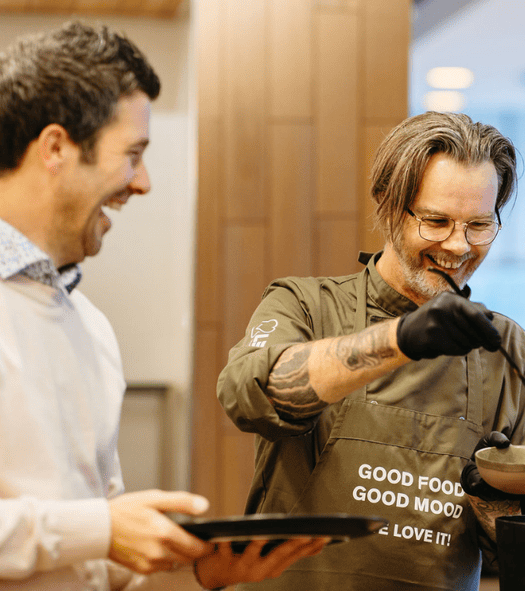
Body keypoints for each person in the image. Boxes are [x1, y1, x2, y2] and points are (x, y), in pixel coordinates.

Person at [0, 21, 328, 590]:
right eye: (133, 154)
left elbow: (90, 553)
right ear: (55, 148)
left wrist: (197, 563)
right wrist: (102, 529)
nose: (143, 182)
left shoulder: (90, 328)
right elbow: (92, 530)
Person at [216, 111, 525, 590]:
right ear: (389, 205)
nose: (459, 246)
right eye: (436, 221)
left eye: (478, 225)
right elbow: (250, 394)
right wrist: (400, 339)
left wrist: (495, 501)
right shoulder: (304, 305)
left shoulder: (504, 347)